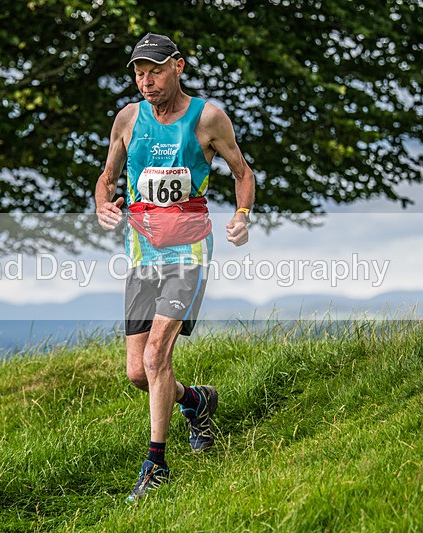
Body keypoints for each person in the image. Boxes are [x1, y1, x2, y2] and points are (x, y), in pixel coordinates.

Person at [95, 32, 255, 503]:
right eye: (140, 73)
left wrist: (242, 216)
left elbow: (243, 174)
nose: (146, 81)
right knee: (137, 373)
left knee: (155, 356)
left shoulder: (207, 118)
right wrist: (103, 205)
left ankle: (155, 464)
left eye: (155, 71)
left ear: (178, 66)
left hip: (188, 253)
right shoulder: (127, 119)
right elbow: (105, 180)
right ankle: (197, 401)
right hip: (142, 254)